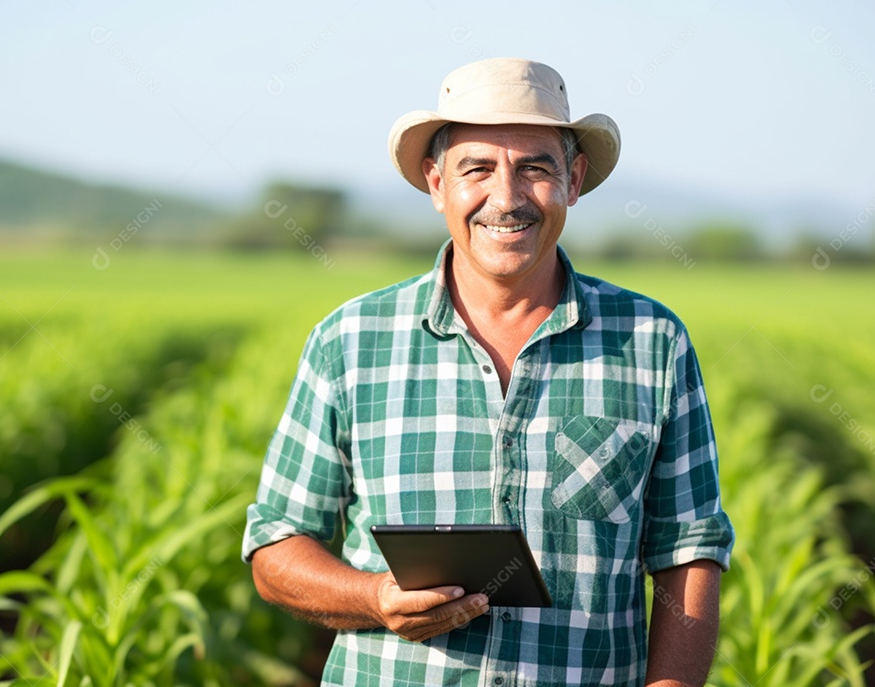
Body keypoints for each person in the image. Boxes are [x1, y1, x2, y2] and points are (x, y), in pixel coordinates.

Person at [243, 57, 735, 687]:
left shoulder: (650, 341)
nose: (505, 198)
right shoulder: (349, 341)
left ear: (574, 180)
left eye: (535, 168)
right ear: (436, 182)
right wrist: (373, 599)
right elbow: (278, 544)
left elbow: (687, 551)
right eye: (476, 168)